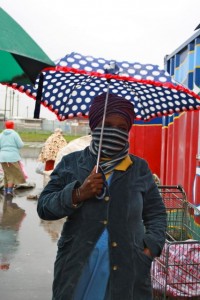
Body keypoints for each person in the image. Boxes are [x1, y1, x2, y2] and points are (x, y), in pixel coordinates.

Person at [37, 93, 167, 300]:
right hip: (78, 266)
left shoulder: (139, 168)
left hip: (128, 267)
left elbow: (157, 214)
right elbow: (44, 207)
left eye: (122, 128)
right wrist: (78, 193)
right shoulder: (72, 163)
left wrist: (150, 249)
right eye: (107, 125)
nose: (114, 132)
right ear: (94, 126)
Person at [0, 120, 26, 196]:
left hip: (2, 157)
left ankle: (6, 189)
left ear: (5, 126)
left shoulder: (1, 135)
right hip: (12, 157)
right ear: (13, 126)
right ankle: (9, 191)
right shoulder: (14, 134)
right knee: (12, 174)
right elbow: (20, 145)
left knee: (7, 173)